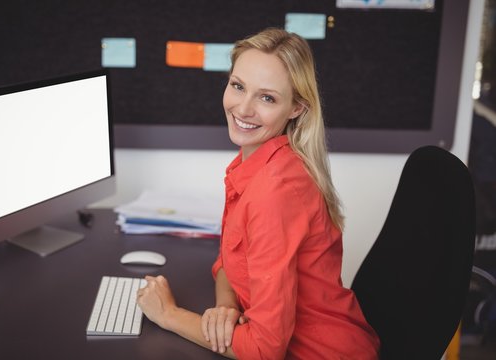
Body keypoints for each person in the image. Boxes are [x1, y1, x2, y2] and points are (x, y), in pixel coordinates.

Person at [137, 27, 380, 359]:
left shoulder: (274, 191)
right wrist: (226, 308)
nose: (244, 108)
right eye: (238, 86)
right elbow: (228, 259)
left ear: (296, 107)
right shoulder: (254, 163)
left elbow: (264, 351)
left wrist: (169, 315)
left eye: (267, 97)